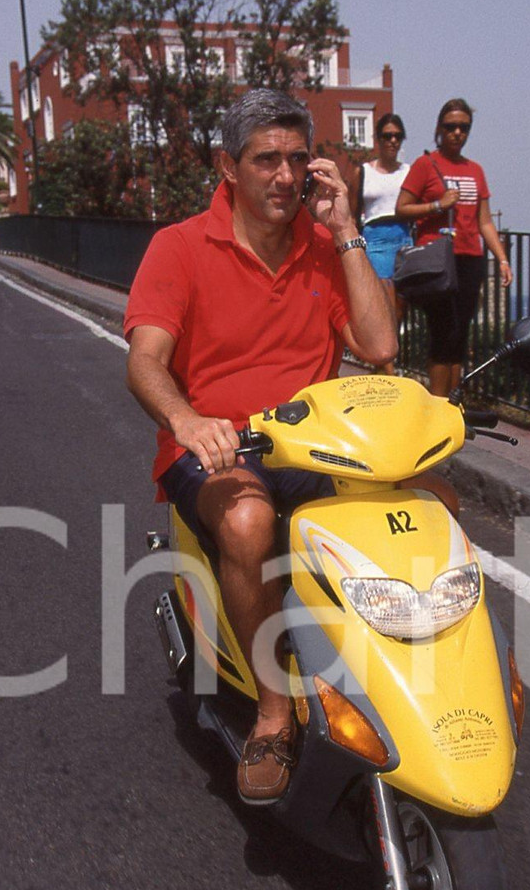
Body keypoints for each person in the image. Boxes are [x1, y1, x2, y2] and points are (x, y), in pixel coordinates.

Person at [124, 89, 398, 805]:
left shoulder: (321, 250)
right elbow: (145, 360)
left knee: (431, 502)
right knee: (247, 523)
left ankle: (404, 675)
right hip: (216, 448)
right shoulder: (180, 247)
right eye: (266, 159)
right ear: (228, 166)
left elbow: (379, 346)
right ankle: (274, 713)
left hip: (311, 445)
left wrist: (346, 231)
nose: (285, 175)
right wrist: (186, 421)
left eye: (298, 159)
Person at [396, 99, 513, 397]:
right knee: (442, 333)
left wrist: (501, 259)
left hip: (469, 259)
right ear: (439, 128)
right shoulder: (426, 164)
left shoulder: (475, 170)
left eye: (464, 127)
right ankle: (437, 405)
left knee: (460, 335)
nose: (457, 133)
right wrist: (438, 205)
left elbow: (484, 221)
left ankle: (453, 405)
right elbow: (402, 208)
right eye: (451, 127)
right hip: (438, 260)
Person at [347, 112, 412, 372]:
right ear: (378, 139)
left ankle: (381, 366)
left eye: (397, 136)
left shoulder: (409, 172)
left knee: (398, 311)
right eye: (387, 136)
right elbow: (353, 213)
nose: (392, 141)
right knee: (384, 306)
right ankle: (391, 375)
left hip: (404, 239)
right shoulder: (363, 172)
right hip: (376, 240)